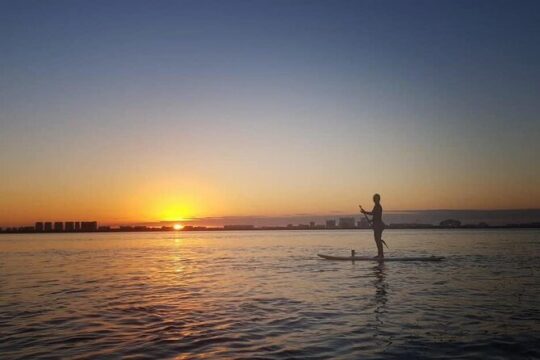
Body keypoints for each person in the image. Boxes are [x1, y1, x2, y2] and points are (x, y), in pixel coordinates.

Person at [360, 193, 385, 258]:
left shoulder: (378, 206)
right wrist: (371, 220)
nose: (374, 200)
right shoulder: (376, 206)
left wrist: (365, 212)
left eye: (375, 199)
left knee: (378, 240)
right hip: (377, 225)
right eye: (374, 199)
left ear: (378, 199)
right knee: (377, 240)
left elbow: (374, 214)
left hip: (379, 226)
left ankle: (381, 255)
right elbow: (375, 216)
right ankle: (380, 254)